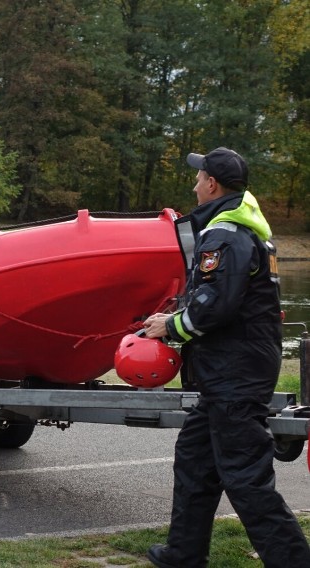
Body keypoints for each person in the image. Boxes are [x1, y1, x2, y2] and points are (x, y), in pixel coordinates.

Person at [142, 147, 310, 567]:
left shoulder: (226, 235)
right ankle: (183, 554)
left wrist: (171, 327)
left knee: (245, 478)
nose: (194, 183)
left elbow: (216, 306)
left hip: (234, 374)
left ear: (212, 184)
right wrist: (178, 314)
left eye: (199, 178)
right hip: (227, 373)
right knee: (195, 465)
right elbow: (214, 298)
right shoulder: (239, 229)